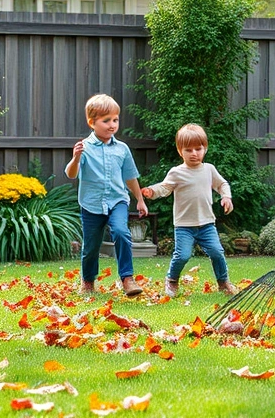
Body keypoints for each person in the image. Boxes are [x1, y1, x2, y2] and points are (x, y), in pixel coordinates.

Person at [140, 124, 239, 298]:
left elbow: (222, 184)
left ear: (205, 148)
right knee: (182, 256)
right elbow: (165, 188)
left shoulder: (209, 169)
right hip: (184, 226)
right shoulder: (176, 172)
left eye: (198, 149)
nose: (194, 153)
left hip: (207, 224)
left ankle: (223, 283)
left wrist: (226, 197)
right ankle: (172, 280)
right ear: (180, 151)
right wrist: (152, 191)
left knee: (217, 252)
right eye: (188, 150)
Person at [65, 94, 148, 297]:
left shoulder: (122, 149)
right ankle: (88, 281)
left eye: (115, 120)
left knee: (121, 232)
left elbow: (130, 177)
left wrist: (140, 199)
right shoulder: (84, 147)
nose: (112, 125)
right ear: (91, 122)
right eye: (106, 120)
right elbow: (71, 174)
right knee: (91, 246)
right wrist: (76, 158)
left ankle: (127, 279)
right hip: (91, 204)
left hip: (118, 200)